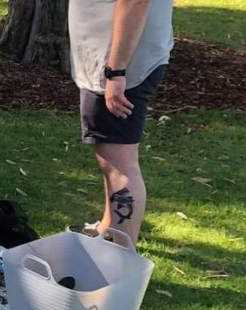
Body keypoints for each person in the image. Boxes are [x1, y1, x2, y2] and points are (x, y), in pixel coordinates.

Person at [68, 0, 173, 243]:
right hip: (113, 62)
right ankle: (108, 230)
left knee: (119, 164)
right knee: (111, 160)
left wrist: (116, 72)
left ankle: (120, 255)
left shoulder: (117, 71)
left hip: (119, 67)